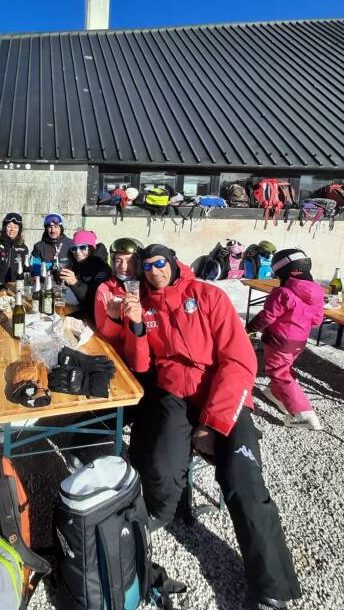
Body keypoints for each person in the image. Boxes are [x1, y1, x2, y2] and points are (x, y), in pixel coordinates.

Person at [121, 244, 301, 610]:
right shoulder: (145, 303)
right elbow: (141, 366)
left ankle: (273, 589)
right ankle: (167, 512)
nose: (154, 271)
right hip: (175, 393)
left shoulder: (207, 295)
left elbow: (239, 360)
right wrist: (137, 325)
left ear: (172, 263)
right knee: (161, 464)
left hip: (222, 392)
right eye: (148, 266)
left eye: (160, 264)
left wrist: (213, 423)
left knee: (243, 480)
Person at [247, 248, 325, 430]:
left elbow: (267, 316)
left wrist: (249, 328)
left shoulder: (283, 292)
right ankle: (277, 395)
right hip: (299, 341)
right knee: (285, 368)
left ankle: (304, 414)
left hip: (280, 341)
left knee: (279, 373)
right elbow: (317, 319)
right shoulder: (317, 291)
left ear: (282, 271)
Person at [94, 237, 143, 357]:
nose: (123, 266)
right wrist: (113, 319)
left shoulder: (147, 287)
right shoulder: (105, 290)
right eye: (118, 261)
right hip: (118, 354)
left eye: (130, 261)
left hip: (145, 354)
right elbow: (104, 334)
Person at [59, 230, 111, 319]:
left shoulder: (101, 269)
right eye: (74, 248)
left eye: (82, 247)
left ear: (91, 249)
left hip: (97, 317)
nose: (77, 252)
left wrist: (75, 283)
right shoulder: (77, 263)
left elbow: (94, 300)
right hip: (77, 309)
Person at [0, 212, 29, 284]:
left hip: (15, 286)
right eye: (9, 226)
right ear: (4, 227)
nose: (12, 229)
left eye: (15, 227)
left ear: (19, 230)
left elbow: (26, 270)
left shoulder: (23, 248)